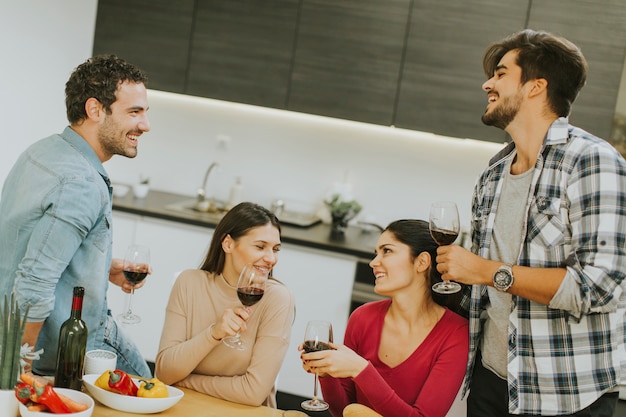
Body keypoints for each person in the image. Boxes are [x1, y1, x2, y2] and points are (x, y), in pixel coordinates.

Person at [435, 29, 626, 416]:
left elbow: (601, 288)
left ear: (536, 87)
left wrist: (489, 272)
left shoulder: (591, 161)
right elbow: (480, 288)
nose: (487, 82)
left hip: (564, 395)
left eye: (502, 73)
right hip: (490, 383)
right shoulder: (493, 174)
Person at [0, 55, 152, 378]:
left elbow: (28, 244)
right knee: (154, 399)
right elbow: (34, 283)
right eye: (134, 112)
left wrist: (100, 269)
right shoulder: (82, 183)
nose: (145, 125)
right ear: (95, 110)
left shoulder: (41, 152)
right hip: (73, 348)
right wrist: (17, 378)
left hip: (9, 332)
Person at [300, 219, 469, 417]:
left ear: (422, 262)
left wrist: (361, 370)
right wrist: (326, 373)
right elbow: (342, 411)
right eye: (376, 253)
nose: (374, 262)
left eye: (387, 251)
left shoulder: (455, 333)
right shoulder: (362, 317)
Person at [155, 202, 295, 408]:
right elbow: (164, 371)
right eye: (260, 247)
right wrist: (214, 333)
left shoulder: (277, 299)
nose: (271, 258)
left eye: (275, 249)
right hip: (186, 408)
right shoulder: (189, 283)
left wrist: (184, 381)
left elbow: (253, 393)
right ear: (228, 244)